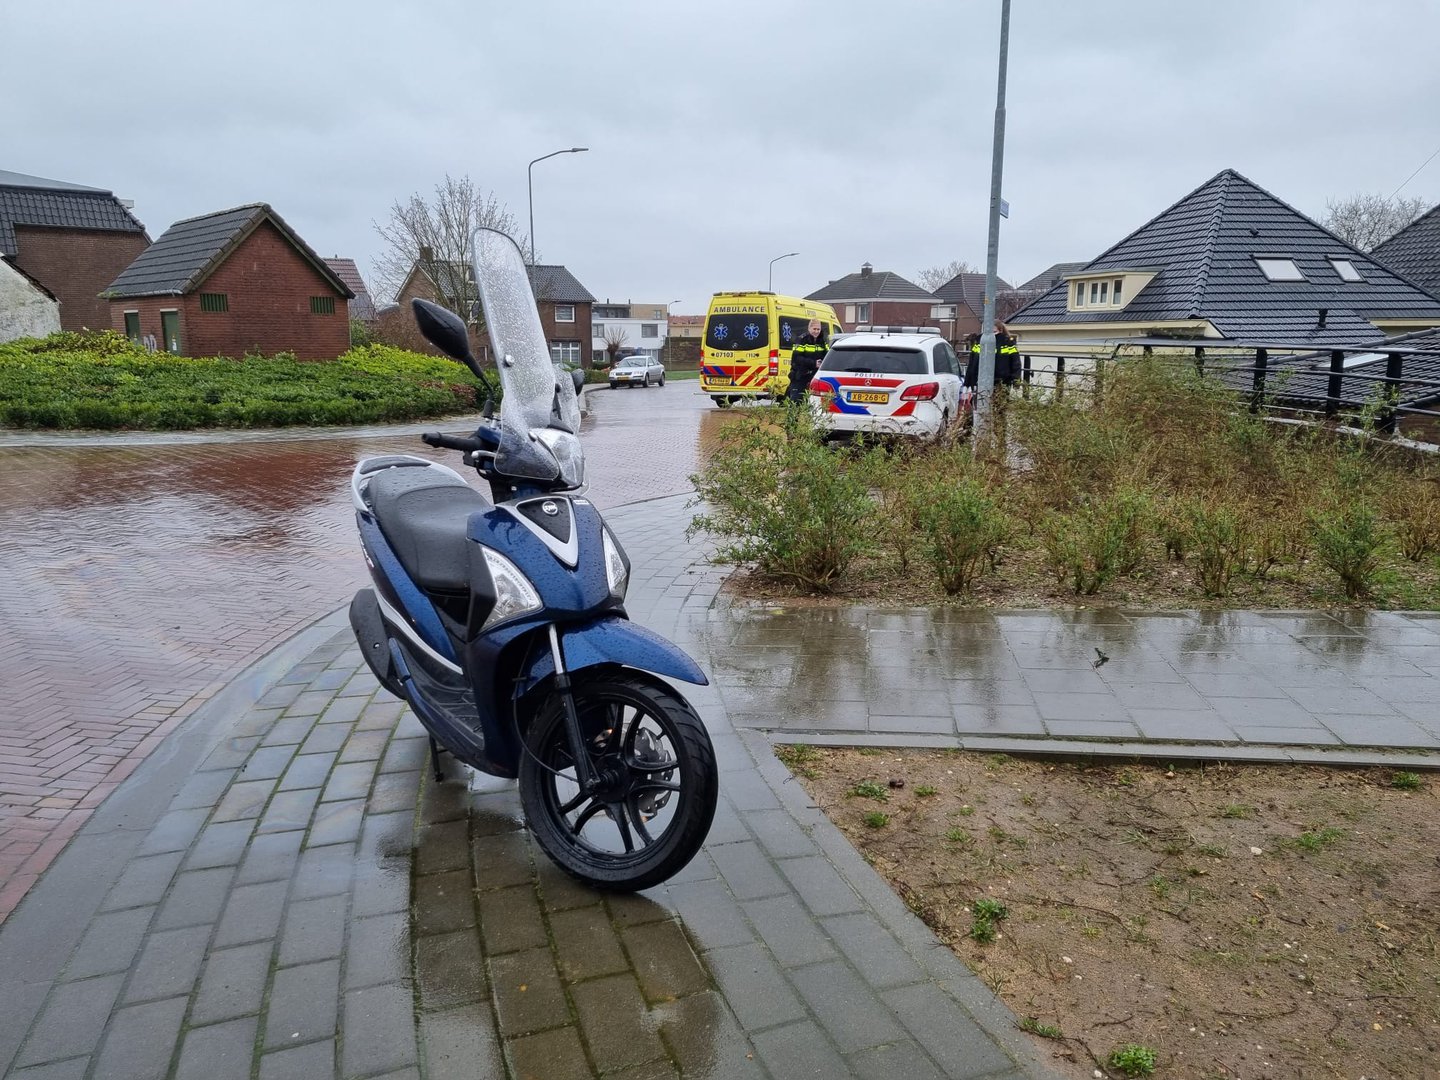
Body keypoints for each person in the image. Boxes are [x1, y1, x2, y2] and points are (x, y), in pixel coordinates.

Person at [963, 320, 1020, 390]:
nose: (993, 335)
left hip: (1001, 382)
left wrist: (1016, 380)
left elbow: (1015, 363)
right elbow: (972, 363)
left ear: (1001, 330)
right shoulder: (980, 342)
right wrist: (967, 382)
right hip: (980, 381)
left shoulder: (1007, 343)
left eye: (995, 332)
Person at [784, 319, 828, 405]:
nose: (816, 331)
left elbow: (827, 355)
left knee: (813, 402)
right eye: (814, 329)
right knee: (796, 402)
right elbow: (796, 358)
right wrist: (813, 363)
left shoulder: (822, 341)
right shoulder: (802, 340)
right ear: (809, 328)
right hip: (800, 375)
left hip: (815, 376)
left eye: (818, 329)